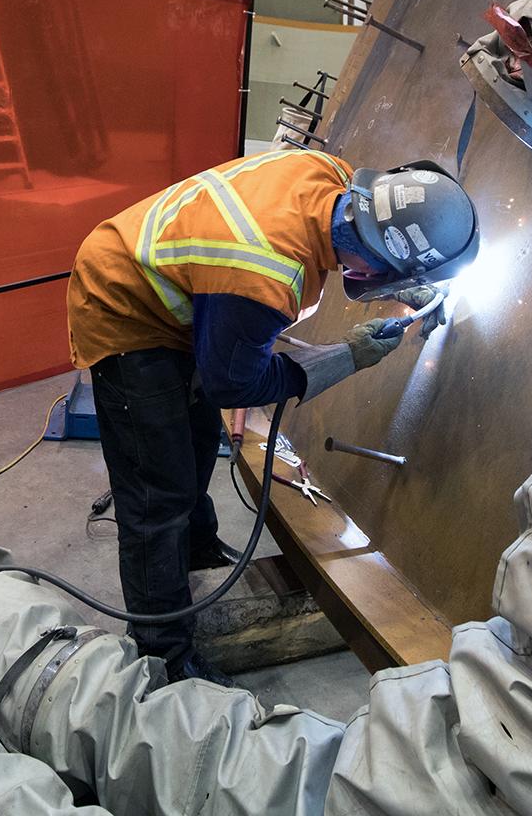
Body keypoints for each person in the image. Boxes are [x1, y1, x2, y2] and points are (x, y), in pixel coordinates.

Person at [67, 148, 479, 684]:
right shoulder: (265, 277)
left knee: (194, 447)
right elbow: (233, 384)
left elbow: (355, 239)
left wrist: (402, 279)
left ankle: (197, 555)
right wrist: (345, 357)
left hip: (176, 275)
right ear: (376, 263)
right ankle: (165, 656)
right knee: (157, 496)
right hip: (122, 301)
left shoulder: (332, 174)